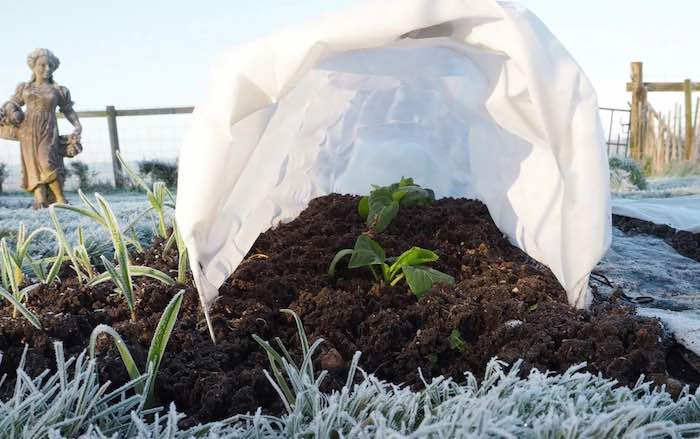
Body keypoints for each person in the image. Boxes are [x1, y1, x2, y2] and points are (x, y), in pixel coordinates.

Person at [7, 48, 82, 208]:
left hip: (48, 130)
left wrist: (77, 125)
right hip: (27, 130)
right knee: (32, 164)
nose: (47, 68)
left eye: (50, 65)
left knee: (47, 162)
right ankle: (40, 201)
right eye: (42, 65)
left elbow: (68, 110)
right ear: (33, 66)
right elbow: (12, 103)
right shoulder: (24, 88)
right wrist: (13, 112)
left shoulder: (58, 90)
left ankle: (60, 199)